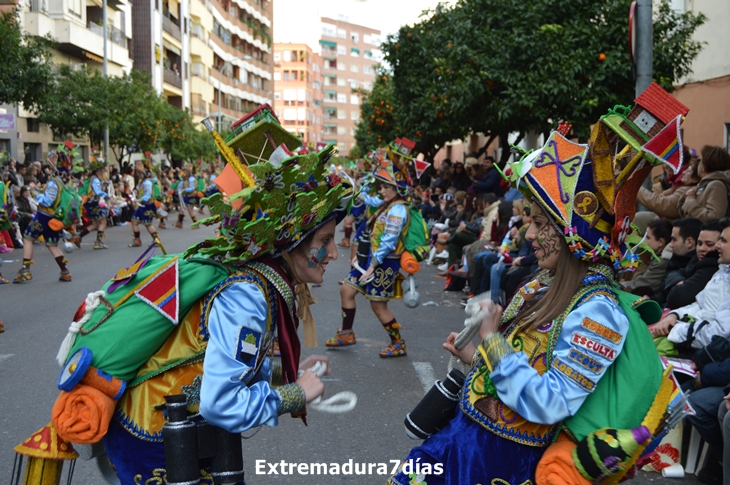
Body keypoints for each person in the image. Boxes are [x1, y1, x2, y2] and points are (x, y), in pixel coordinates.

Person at [42, 110, 354, 484]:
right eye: (324, 241)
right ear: (289, 242)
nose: (333, 254)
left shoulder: (258, 282)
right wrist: (293, 394)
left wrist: (279, 372)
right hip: (155, 437)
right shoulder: (249, 295)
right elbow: (221, 403)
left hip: (167, 429)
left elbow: (204, 357)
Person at [389, 109, 675, 485]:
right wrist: (477, 356)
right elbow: (520, 373)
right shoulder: (541, 286)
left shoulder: (600, 314)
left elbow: (550, 404)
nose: (527, 235)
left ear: (577, 236)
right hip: (466, 443)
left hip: (505, 466)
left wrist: (493, 341)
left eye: (540, 224)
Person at [326, 148, 413, 357]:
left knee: (378, 306)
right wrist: (355, 188)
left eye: (386, 187)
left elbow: (389, 242)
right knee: (346, 290)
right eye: (382, 186)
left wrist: (372, 265)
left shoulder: (398, 210)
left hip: (385, 263)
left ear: (397, 189)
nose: (382, 191)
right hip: (370, 260)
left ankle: (398, 343)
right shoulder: (387, 204)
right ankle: (346, 333)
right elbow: (370, 200)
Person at [651, 218, 730, 352]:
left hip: (701, 349)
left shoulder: (712, 266)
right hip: (693, 339)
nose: (717, 246)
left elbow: (720, 332)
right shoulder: (722, 270)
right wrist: (674, 315)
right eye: (700, 243)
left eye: (723, 241)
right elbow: (700, 304)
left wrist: (675, 330)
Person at [14, 153, 77, 283]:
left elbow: (47, 202)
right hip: (55, 218)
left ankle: (25, 271)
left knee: (27, 238)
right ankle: (65, 271)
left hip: (44, 216)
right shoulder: (68, 181)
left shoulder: (55, 182)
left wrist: (36, 193)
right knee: (52, 245)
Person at [659, 218, 720, 309]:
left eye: (709, 244)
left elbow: (677, 297)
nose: (702, 248)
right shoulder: (696, 260)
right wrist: (679, 283)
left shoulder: (711, 265)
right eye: (699, 243)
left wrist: (675, 284)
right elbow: (668, 278)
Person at [679, 146, 730, 222]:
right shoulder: (705, 184)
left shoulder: (716, 185)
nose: (698, 163)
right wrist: (686, 197)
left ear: (704, 166)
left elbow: (714, 218)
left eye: (700, 160)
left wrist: (690, 202)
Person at [622, 219, 672, 296]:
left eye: (647, 237)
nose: (643, 240)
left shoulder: (662, 261)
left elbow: (642, 284)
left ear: (660, 242)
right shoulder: (656, 256)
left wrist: (617, 286)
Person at [76, 158, 110, 249]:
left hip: (90, 204)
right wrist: (105, 195)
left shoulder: (93, 178)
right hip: (93, 203)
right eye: (104, 170)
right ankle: (98, 242)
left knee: (95, 224)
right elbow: (97, 191)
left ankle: (78, 237)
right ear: (100, 171)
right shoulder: (95, 179)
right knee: (103, 222)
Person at [128, 166, 162, 247]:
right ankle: (137, 240)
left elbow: (148, 194)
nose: (138, 174)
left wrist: (139, 200)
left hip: (148, 205)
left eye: (140, 173)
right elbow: (139, 190)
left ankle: (156, 240)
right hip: (142, 206)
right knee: (134, 221)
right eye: (138, 173)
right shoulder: (142, 181)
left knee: (148, 224)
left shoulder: (147, 182)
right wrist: (135, 191)